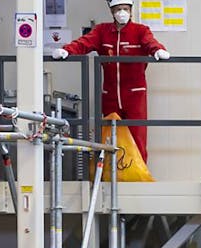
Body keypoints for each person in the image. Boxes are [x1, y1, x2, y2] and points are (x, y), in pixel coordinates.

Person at [52, 0, 169, 162]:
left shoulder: (140, 31)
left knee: (138, 139)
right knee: (109, 139)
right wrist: (67, 50)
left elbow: (150, 43)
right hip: (110, 95)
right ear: (112, 11)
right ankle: (109, 172)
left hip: (135, 96)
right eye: (118, 9)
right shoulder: (102, 31)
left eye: (125, 9)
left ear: (131, 10)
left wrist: (158, 50)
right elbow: (84, 43)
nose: (122, 12)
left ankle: (139, 175)